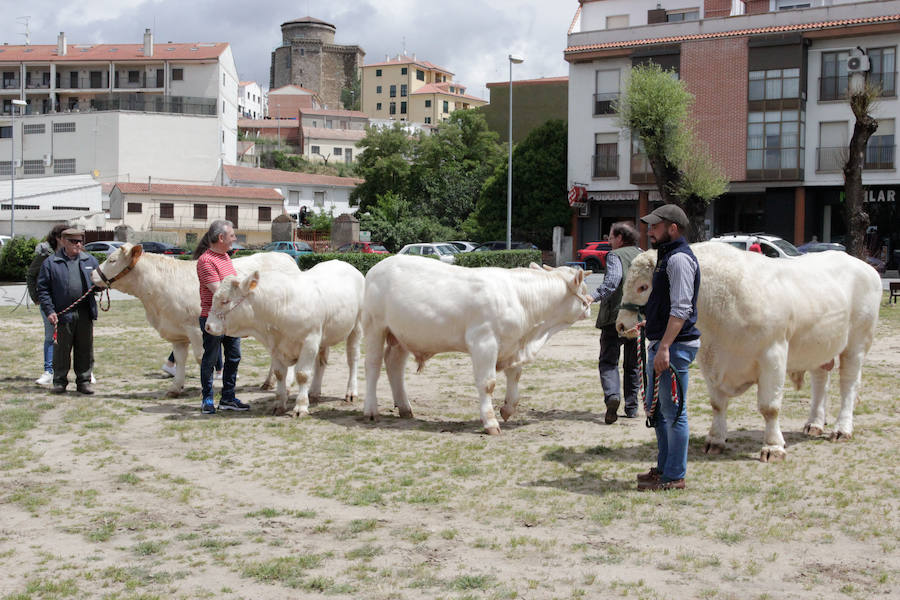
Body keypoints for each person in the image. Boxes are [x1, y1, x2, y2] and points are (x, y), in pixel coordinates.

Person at [636, 205, 701, 492]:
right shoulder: (668, 257)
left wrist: (664, 346)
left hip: (673, 348)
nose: (650, 231)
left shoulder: (678, 260)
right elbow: (668, 305)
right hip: (666, 344)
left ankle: (674, 476)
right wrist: (650, 323)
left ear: (672, 228)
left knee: (673, 412)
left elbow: (681, 309)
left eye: (655, 226)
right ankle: (665, 469)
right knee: (660, 413)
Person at [36, 228, 101, 395]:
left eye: (80, 241)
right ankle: (59, 382)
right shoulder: (51, 262)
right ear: (64, 241)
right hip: (62, 314)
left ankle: (84, 382)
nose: (78, 244)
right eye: (73, 241)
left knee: (85, 349)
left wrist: (102, 285)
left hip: (85, 313)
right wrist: (49, 311)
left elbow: (99, 282)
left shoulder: (90, 260)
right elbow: (43, 289)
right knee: (61, 350)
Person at [592, 221, 642, 424]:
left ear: (620, 238)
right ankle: (632, 407)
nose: (609, 241)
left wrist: (593, 296)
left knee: (608, 361)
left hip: (615, 317)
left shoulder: (615, 255)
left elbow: (613, 281)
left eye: (611, 237)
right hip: (637, 318)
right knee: (633, 365)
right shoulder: (642, 254)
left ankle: (612, 396)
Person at [196, 220, 248, 414]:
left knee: (234, 357)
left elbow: (233, 286)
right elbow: (221, 293)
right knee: (210, 360)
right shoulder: (206, 261)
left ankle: (228, 398)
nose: (234, 239)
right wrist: (241, 291)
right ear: (221, 237)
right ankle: (207, 399)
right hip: (213, 318)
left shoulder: (225, 257)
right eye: (232, 235)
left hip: (230, 318)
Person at [27, 224, 68, 385]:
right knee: (50, 336)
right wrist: (35, 296)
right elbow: (31, 274)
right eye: (67, 237)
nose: (72, 241)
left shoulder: (74, 253)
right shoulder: (45, 255)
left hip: (69, 302)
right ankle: (49, 371)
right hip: (49, 302)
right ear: (58, 238)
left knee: (77, 337)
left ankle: (85, 371)